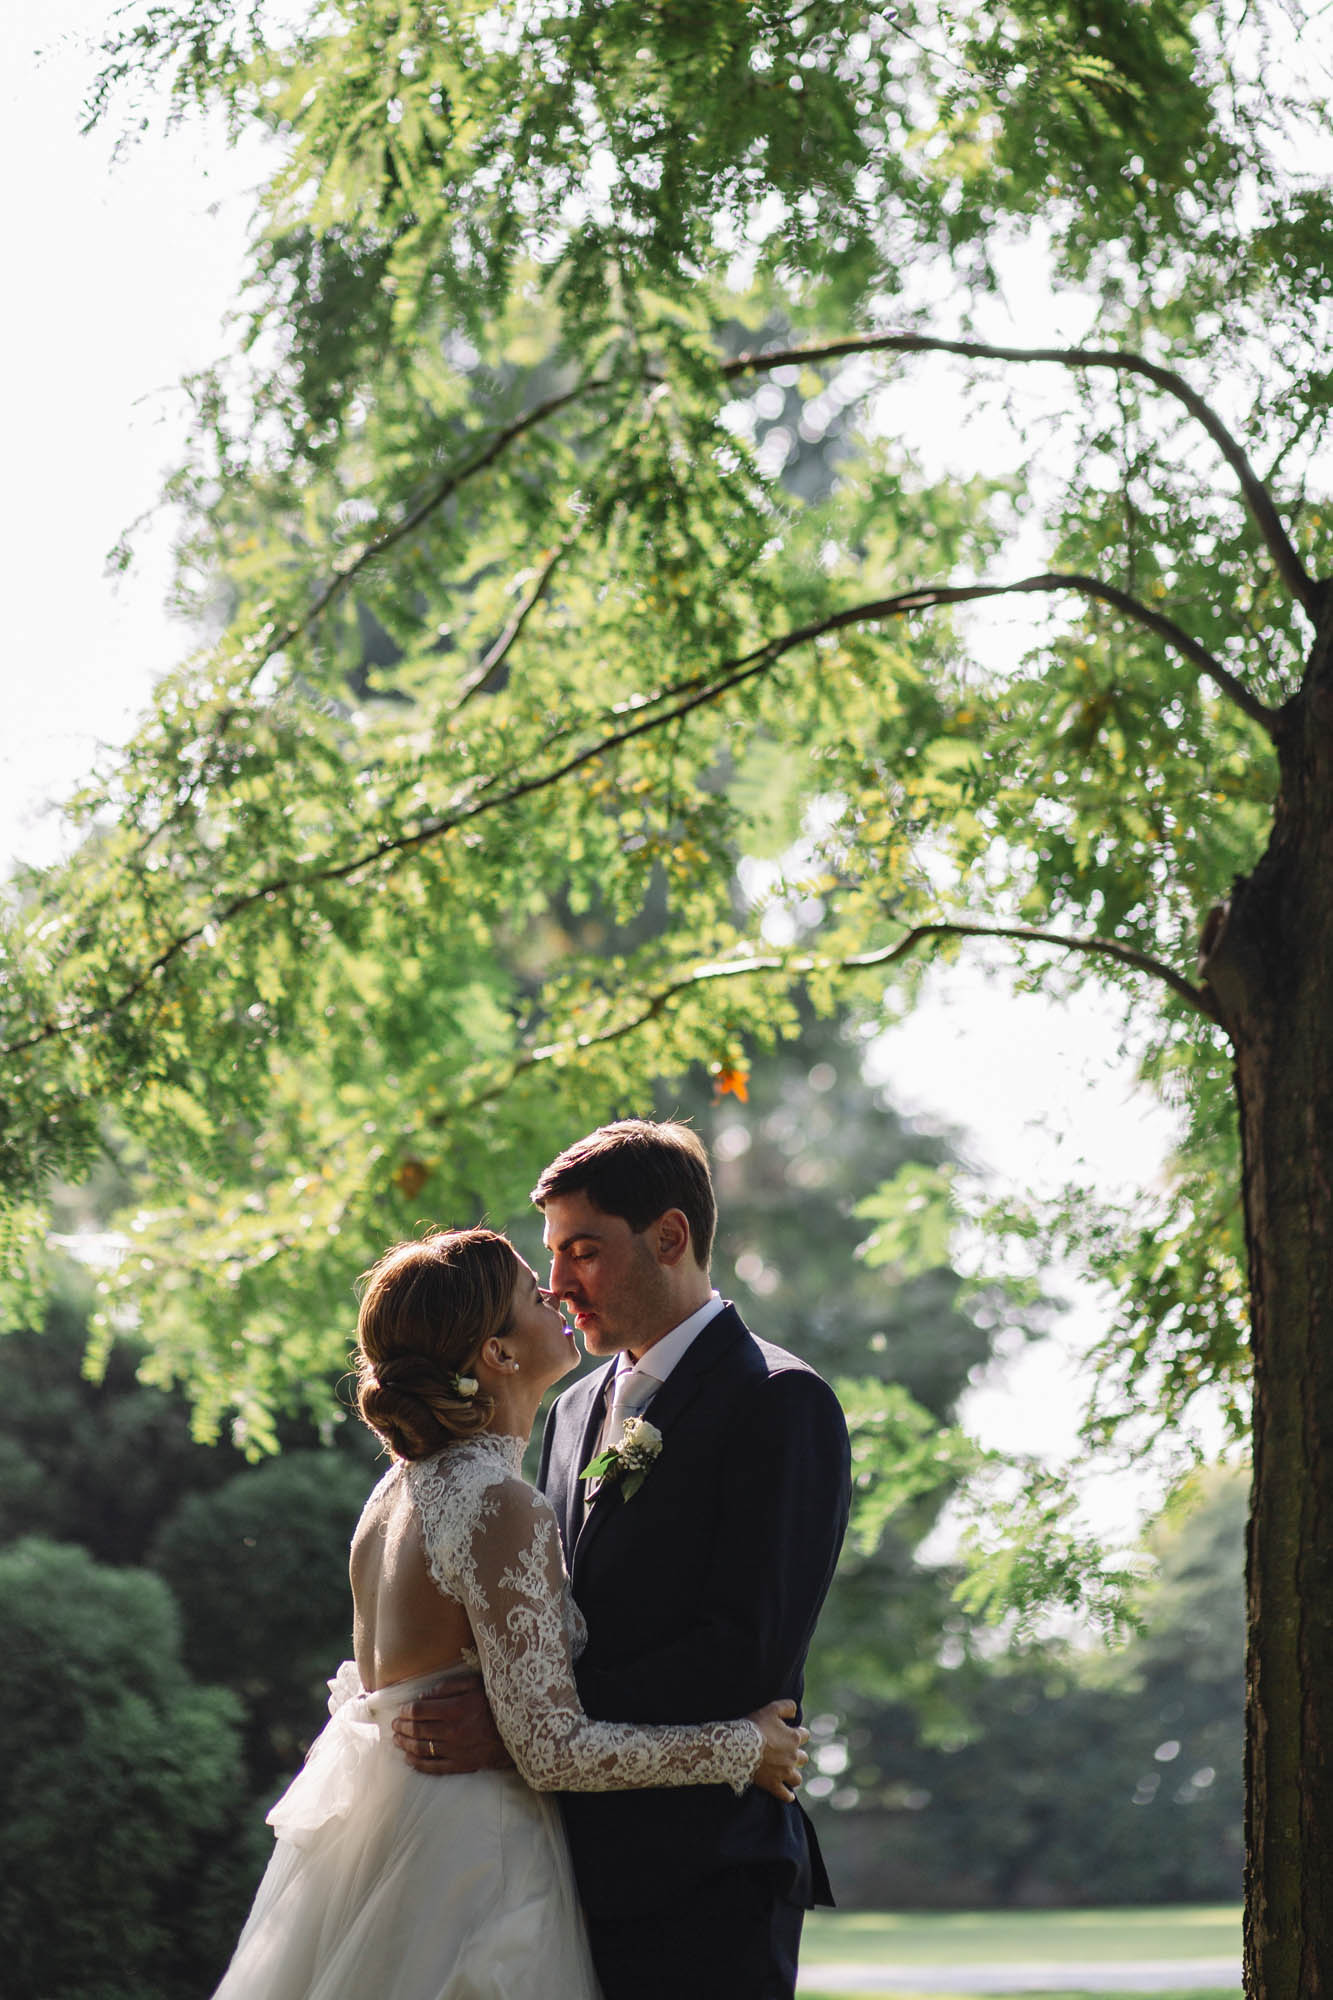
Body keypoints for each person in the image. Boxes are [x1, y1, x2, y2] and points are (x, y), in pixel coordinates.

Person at [209, 1226, 808, 2000]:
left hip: (388, 1843)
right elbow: (552, 1753)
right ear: (497, 1353)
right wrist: (744, 1747)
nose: (556, 1292)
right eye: (534, 1291)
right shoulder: (501, 1507)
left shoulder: (395, 1493)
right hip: (472, 1863)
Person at [396, 1121, 852, 2000]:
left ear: (670, 1237)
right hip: (558, 1868)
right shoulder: (568, 1412)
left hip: (705, 1874)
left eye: (584, 1251)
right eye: (552, 1258)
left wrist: (519, 1726)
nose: (559, 1284)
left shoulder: (779, 1402)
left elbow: (742, 1653)